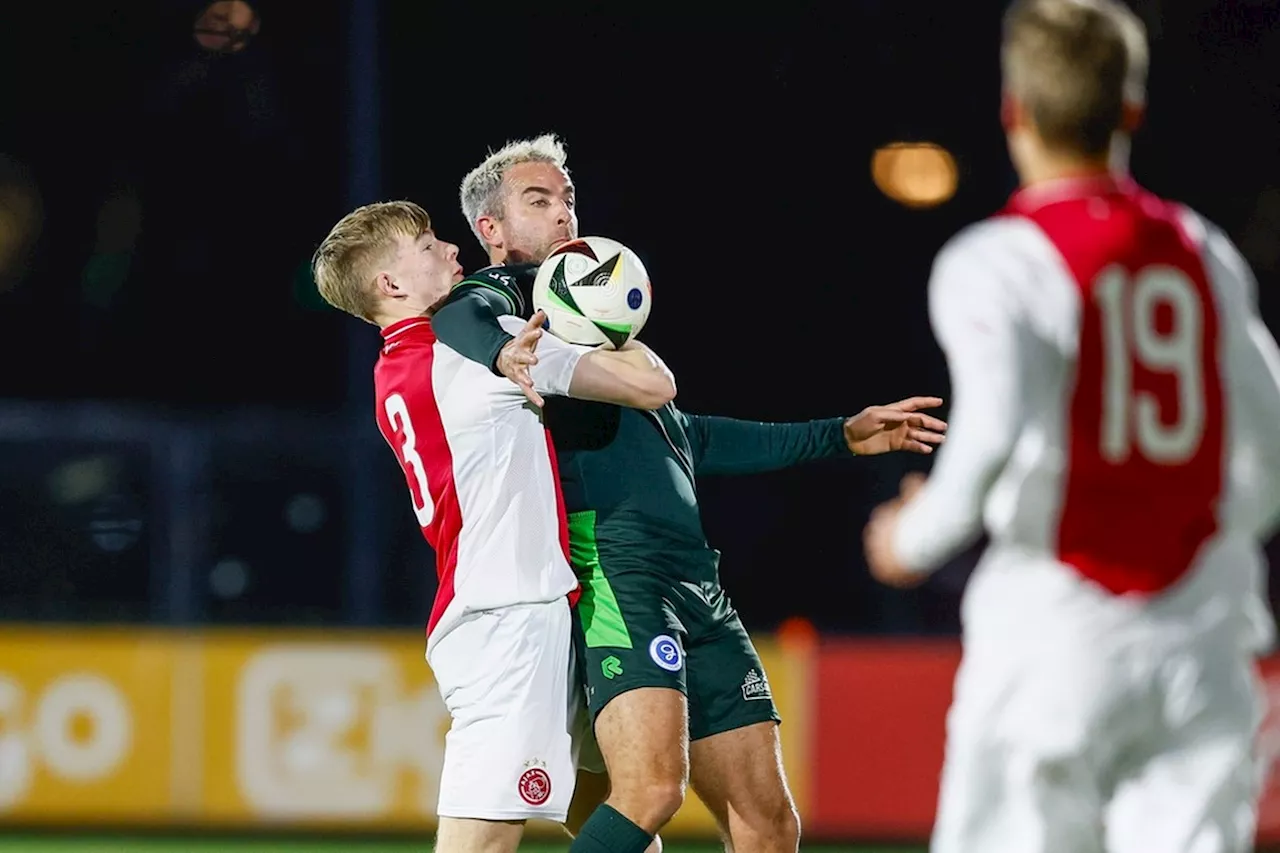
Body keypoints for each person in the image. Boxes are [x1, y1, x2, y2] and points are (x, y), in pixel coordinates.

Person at [430, 134, 948, 853]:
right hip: (618, 567)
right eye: (538, 201)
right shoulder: (514, 304)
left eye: (567, 198)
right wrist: (501, 349)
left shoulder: (586, 313)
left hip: (695, 578)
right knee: (648, 791)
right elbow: (456, 314)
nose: (562, 215)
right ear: (490, 229)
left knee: (768, 825)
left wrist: (840, 434)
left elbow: (687, 437)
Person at [862, 1, 1280, 851]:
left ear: (1013, 109)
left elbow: (988, 434)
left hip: (1052, 628)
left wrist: (908, 537)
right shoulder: (1204, 251)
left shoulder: (995, 260)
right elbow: (1267, 447)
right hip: (1200, 633)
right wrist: (1200, 545)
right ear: (1131, 110)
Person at [310, 200, 678, 853]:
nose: (452, 251)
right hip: (508, 617)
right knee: (479, 843)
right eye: (427, 246)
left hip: (514, 605)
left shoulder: (395, 368)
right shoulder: (473, 359)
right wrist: (609, 316)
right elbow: (650, 388)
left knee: (622, 819)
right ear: (391, 285)